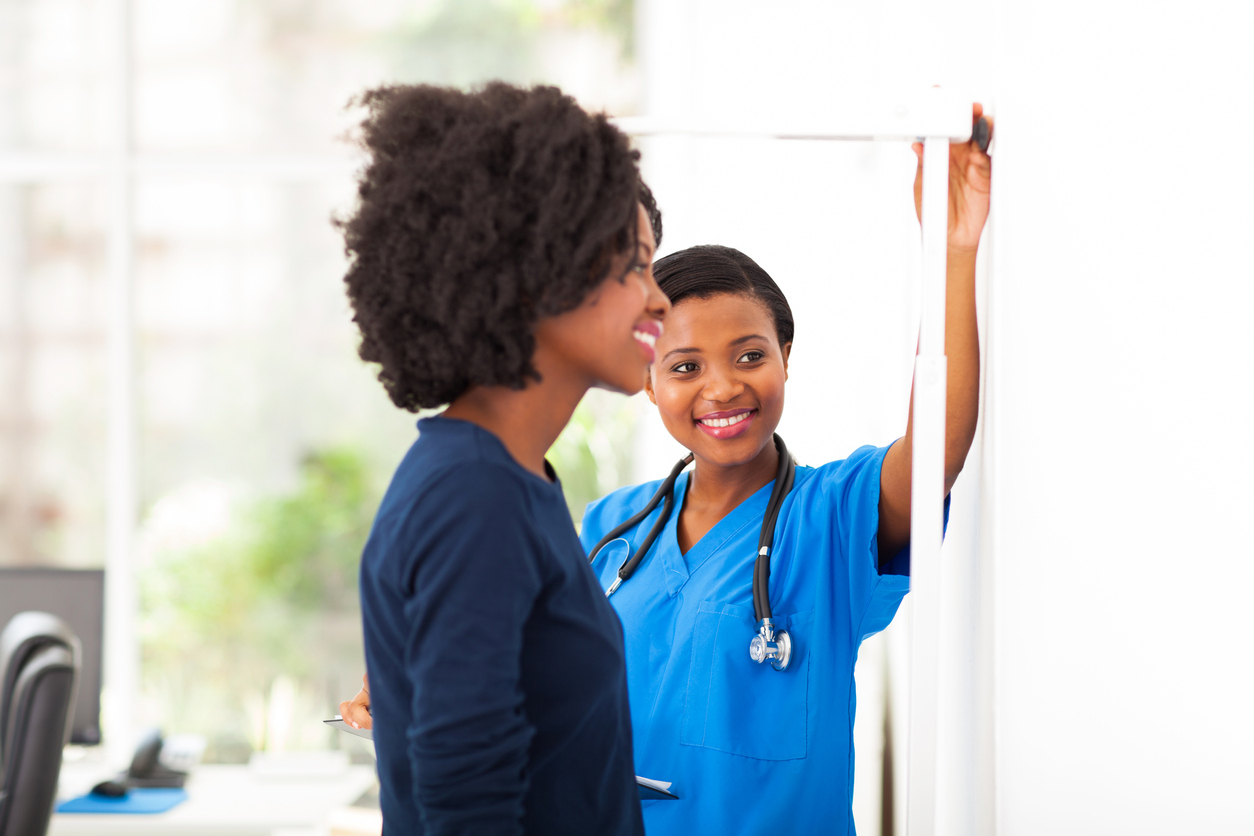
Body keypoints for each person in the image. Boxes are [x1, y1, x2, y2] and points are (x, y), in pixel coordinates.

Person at [343, 106, 993, 834]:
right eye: (684, 366)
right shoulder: (602, 528)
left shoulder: (830, 515)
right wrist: (433, 677)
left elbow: (936, 447)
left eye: (751, 356)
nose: (722, 388)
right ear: (652, 379)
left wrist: (953, 252)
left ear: (786, 358)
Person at [339, 81, 670, 836]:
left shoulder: (509, 479)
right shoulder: (474, 497)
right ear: (538, 267)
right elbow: (468, 806)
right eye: (635, 266)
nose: (658, 301)